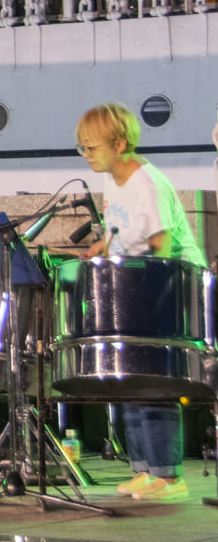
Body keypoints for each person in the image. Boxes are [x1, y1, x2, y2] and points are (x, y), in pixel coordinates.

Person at [76, 103, 204, 502]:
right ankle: (145, 471)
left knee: (154, 381)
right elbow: (119, 232)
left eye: (93, 148)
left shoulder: (145, 183)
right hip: (136, 285)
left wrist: (124, 266)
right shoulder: (113, 180)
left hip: (170, 286)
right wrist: (101, 248)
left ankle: (169, 477)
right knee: (127, 377)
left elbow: (161, 247)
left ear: (120, 143)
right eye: (81, 148)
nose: (87, 155)